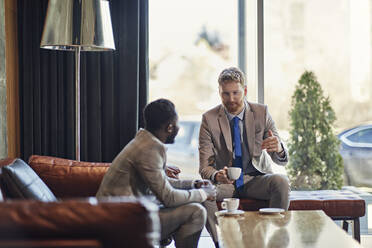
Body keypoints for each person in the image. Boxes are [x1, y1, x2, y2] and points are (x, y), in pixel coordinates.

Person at [96, 99, 216, 248]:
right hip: (122, 222)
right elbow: (169, 198)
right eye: (177, 123)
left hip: (125, 214)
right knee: (196, 211)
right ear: (170, 127)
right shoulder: (149, 150)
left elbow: (162, 183)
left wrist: (194, 184)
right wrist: (203, 193)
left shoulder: (145, 142)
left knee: (195, 201)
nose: (179, 128)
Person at [199, 67, 290, 247]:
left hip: (256, 179)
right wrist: (217, 175)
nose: (231, 99)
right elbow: (204, 168)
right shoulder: (209, 119)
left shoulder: (261, 113)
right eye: (225, 94)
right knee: (203, 194)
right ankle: (222, 242)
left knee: (281, 181)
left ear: (245, 91)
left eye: (236, 93)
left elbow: (281, 159)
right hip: (226, 183)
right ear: (219, 92)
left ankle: (274, 239)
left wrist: (278, 148)